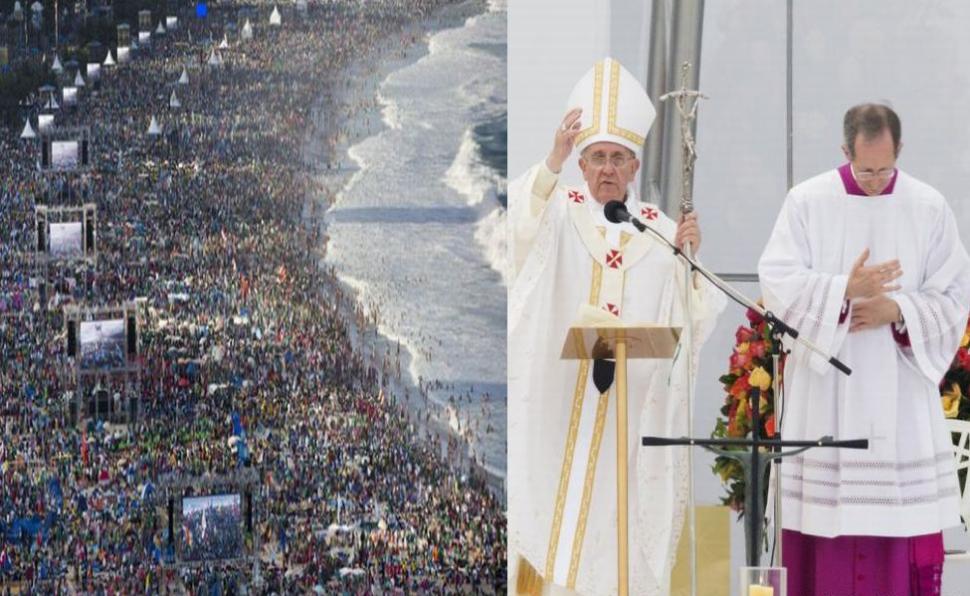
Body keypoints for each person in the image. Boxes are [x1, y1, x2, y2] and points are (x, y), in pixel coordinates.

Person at [507, 57, 725, 596]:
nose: (607, 168)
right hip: (560, 408)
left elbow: (692, 317)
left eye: (618, 158)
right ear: (582, 164)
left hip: (625, 422)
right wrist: (552, 163)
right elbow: (516, 236)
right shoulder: (559, 210)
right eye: (597, 157)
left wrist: (689, 262)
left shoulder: (658, 230)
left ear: (634, 166)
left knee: (613, 533)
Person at [758, 102, 970, 595]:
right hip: (827, 393)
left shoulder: (928, 206)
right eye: (865, 170)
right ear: (844, 151)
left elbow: (956, 295)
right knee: (823, 537)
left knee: (897, 529)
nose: (875, 181)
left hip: (899, 396)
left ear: (900, 150)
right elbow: (777, 282)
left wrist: (897, 311)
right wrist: (843, 291)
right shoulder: (807, 201)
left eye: (885, 169)